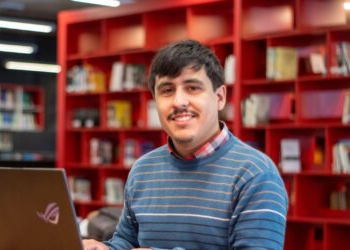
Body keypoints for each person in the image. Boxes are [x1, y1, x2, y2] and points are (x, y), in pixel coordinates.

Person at [83, 40, 288, 250]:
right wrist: (106, 248)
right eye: (167, 90)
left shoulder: (256, 175)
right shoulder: (142, 170)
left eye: (192, 88)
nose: (179, 101)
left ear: (219, 97)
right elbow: (126, 242)